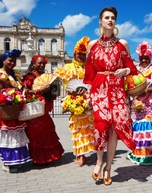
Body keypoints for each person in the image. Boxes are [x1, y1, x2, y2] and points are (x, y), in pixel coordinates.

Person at [83, 6, 137, 185]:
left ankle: (108, 167)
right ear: (100, 21)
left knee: (114, 130)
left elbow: (133, 69)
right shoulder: (92, 44)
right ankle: (99, 162)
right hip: (99, 89)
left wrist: (125, 69)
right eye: (106, 17)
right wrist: (87, 95)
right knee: (100, 126)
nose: (110, 20)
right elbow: (89, 73)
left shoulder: (123, 43)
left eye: (113, 17)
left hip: (117, 90)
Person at [54, 36, 96, 167]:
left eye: (84, 55)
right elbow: (67, 86)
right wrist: (72, 91)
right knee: (78, 129)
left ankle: (85, 153)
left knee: (87, 129)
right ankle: (79, 155)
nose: (82, 57)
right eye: (79, 54)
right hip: (75, 101)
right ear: (74, 54)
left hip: (87, 101)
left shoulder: (88, 68)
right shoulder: (68, 67)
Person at [0, 49, 30, 173]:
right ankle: (7, 163)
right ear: (3, 61)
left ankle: (16, 160)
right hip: (7, 108)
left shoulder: (14, 74)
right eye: (10, 60)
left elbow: (18, 89)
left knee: (16, 134)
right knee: (8, 135)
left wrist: (22, 92)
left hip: (15, 108)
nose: (12, 63)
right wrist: (11, 95)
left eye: (14, 61)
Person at [127, 41, 152, 165]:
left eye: (146, 58)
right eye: (141, 58)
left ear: (150, 57)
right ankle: (140, 153)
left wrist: (146, 89)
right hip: (138, 101)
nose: (143, 60)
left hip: (151, 102)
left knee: (149, 126)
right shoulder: (136, 70)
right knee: (139, 127)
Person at [21, 54, 64, 165]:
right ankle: (38, 159)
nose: (41, 65)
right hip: (35, 110)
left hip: (43, 110)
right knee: (37, 134)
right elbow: (25, 92)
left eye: (43, 63)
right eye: (39, 63)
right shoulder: (29, 77)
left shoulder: (44, 76)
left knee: (47, 131)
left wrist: (52, 92)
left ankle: (49, 157)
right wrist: (40, 90)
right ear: (33, 64)